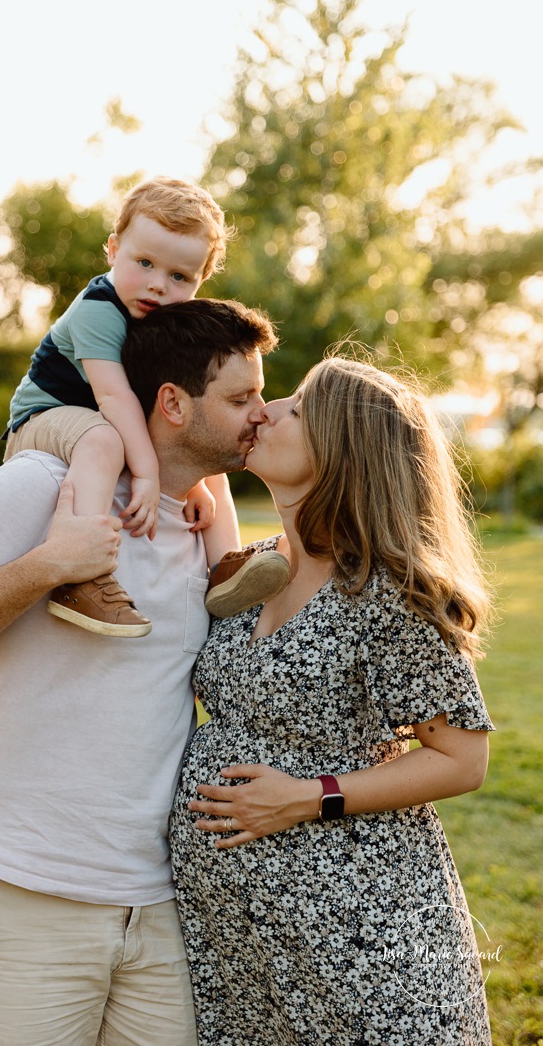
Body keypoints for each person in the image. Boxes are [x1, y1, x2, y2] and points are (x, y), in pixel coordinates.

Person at [0, 298, 278, 1046]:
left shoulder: (207, 531)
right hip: (30, 893)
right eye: (239, 398)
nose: (258, 413)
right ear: (171, 403)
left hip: (160, 900)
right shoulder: (41, 485)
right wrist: (49, 566)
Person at [170, 353, 495, 1045]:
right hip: (241, 935)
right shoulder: (252, 570)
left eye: (295, 406)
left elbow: (462, 759)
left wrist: (308, 795)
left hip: (360, 928)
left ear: (342, 451)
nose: (266, 408)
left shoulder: (386, 590)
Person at [3, 176, 288, 636]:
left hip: (98, 416)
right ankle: (84, 577)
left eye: (179, 277)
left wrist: (191, 481)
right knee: (102, 440)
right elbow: (115, 398)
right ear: (113, 250)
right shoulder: (99, 308)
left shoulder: (157, 320)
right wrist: (149, 476)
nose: (158, 286)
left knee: (210, 459)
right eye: (145, 263)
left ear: (201, 280)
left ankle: (224, 567)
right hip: (43, 415)